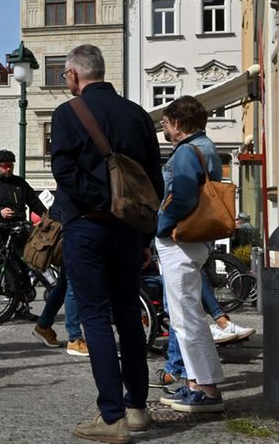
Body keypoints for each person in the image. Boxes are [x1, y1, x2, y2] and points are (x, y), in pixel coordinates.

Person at [49, 44, 163, 442]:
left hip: (88, 225)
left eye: (65, 76)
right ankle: (137, 409)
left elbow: (63, 170)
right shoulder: (138, 115)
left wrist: (97, 200)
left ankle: (111, 416)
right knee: (129, 315)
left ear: (75, 75)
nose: (67, 83)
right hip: (130, 229)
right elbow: (153, 180)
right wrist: (145, 233)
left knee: (95, 317)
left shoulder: (68, 114)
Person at [154, 96, 227, 413]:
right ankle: (196, 384)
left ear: (179, 124)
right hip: (197, 238)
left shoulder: (186, 152)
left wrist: (161, 226)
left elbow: (181, 197)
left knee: (186, 318)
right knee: (189, 315)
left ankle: (206, 390)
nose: (164, 127)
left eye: (167, 122)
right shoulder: (206, 146)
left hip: (180, 239)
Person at [0, 149, 47, 320]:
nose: (8, 169)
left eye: (11, 166)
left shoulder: (19, 183)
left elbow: (34, 202)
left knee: (22, 266)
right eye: (5, 166)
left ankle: (21, 307)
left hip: (16, 229)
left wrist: (47, 218)